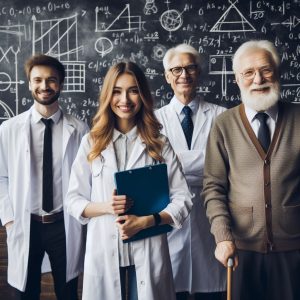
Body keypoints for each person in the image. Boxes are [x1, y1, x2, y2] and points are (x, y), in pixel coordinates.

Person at [65, 61, 193, 300]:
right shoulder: (91, 142)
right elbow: (73, 200)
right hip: (105, 249)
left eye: (133, 90)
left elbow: (183, 199)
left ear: (142, 95)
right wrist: (106, 206)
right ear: (107, 95)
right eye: (117, 91)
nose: (125, 99)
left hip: (148, 249)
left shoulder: (159, 143)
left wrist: (148, 221)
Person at [202, 40, 300, 300]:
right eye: (248, 72)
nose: (258, 79)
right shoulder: (223, 125)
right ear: (237, 79)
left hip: (294, 249)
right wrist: (222, 237)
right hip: (240, 250)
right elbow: (213, 187)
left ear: (278, 72)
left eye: (266, 70)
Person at [0, 54, 89, 300]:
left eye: (51, 80)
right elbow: (1, 177)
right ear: (29, 84)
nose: (44, 86)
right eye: (37, 80)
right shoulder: (9, 129)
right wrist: (9, 220)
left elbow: (87, 179)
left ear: (60, 83)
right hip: (25, 221)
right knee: (24, 293)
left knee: (68, 291)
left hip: (63, 223)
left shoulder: (80, 130)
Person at [155, 43, 226, 300]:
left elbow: (226, 166)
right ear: (167, 76)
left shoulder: (222, 116)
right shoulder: (152, 121)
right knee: (172, 289)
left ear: (198, 72)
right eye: (176, 69)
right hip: (170, 216)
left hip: (211, 216)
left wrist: (173, 164)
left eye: (190, 68)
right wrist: (207, 162)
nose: (183, 74)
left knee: (212, 290)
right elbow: (155, 171)